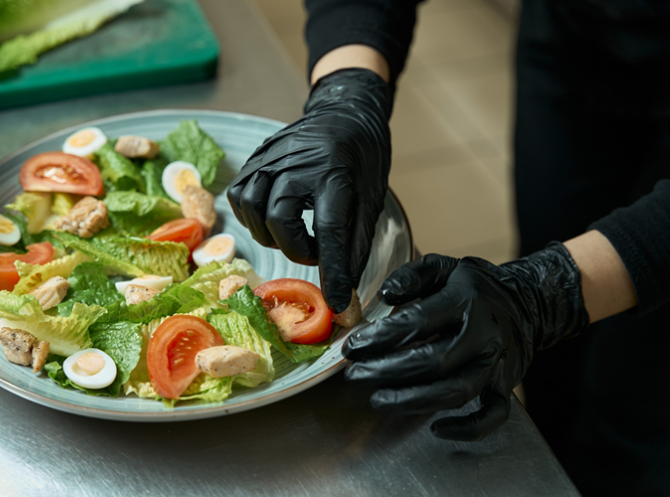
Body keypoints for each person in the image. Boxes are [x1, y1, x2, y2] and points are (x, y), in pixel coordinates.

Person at [227, 1, 670, 495]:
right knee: (554, 370)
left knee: (634, 403)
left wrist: (548, 292)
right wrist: (347, 91)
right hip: (580, 32)